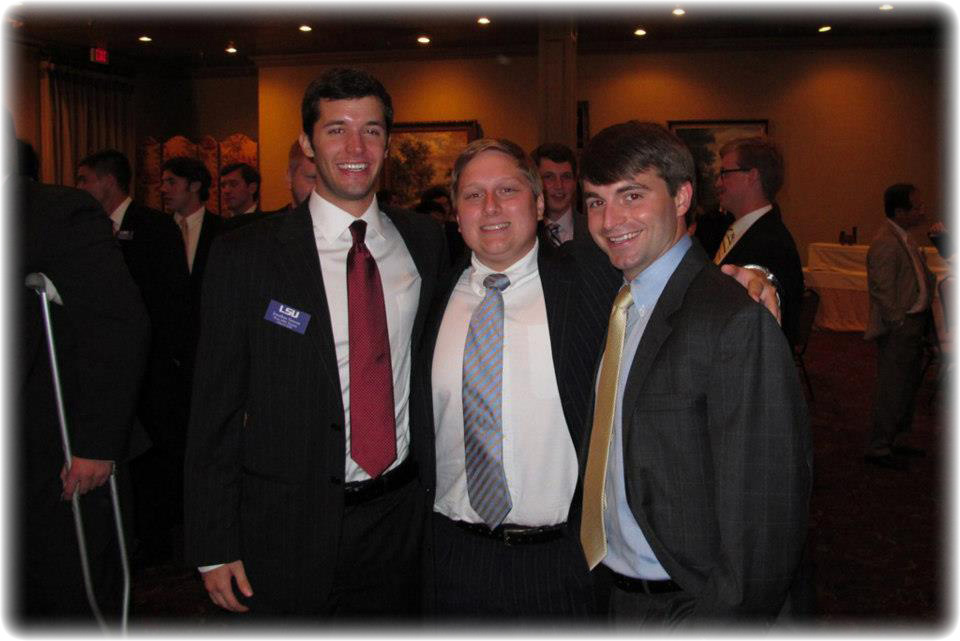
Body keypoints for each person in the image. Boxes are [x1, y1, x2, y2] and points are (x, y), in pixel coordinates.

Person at [183, 67, 447, 617]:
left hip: (399, 518)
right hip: (284, 523)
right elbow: (215, 408)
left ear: (387, 143)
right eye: (336, 130)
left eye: (371, 130)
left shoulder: (425, 241)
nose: (356, 148)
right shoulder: (246, 255)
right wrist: (213, 541)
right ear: (307, 142)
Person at [577, 121, 811, 626]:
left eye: (632, 195)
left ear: (682, 196)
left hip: (690, 604)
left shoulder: (732, 317)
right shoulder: (618, 302)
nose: (610, 220)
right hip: (615, 594)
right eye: (596, 201)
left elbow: (766, 511)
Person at [417, 139, 620, 619]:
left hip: (560, 564)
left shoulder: (591, 281)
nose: (490, 207)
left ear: (539, 203)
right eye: (473, 195)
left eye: (507, 190)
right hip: (450, 558)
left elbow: (668, 283)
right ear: (457, 214)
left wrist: (749, 277)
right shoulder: (429, 295)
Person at [13, 173, 150, 622]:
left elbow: (117, 324)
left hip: (54, 452)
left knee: (65, 597)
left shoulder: (52, 211)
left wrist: (96, 445)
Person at [76, 149, 191, 563]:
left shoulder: (153, 227)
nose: (80, 188)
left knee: (155, 456)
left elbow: (173, 298)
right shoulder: (86, 229)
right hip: (110, 368)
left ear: (108, 181)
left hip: (154, 368)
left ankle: (155, 539)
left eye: (85, 179)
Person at [863, 183, 936, 470]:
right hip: (900, 326)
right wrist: (898, 321)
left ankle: (895, 438)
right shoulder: (886, 241)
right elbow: (882, 289)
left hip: (914, 322)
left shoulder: (905, 238)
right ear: (900, 212)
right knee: (892, 387)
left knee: (907, 386)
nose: (922, 211)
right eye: (916, 207)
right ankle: (879, 446)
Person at [712, 137, 804, 345]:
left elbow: (765, 288)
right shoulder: (733, 230)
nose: (718, 183)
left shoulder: (772, 241)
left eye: (725, 173)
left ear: (752, 176)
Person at [530, 142, 587, 247]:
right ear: (534, 182)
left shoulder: (594, 230)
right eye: (549, 177)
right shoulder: (523, 233)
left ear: (575, 182)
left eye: (566, 177)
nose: (559, 186)